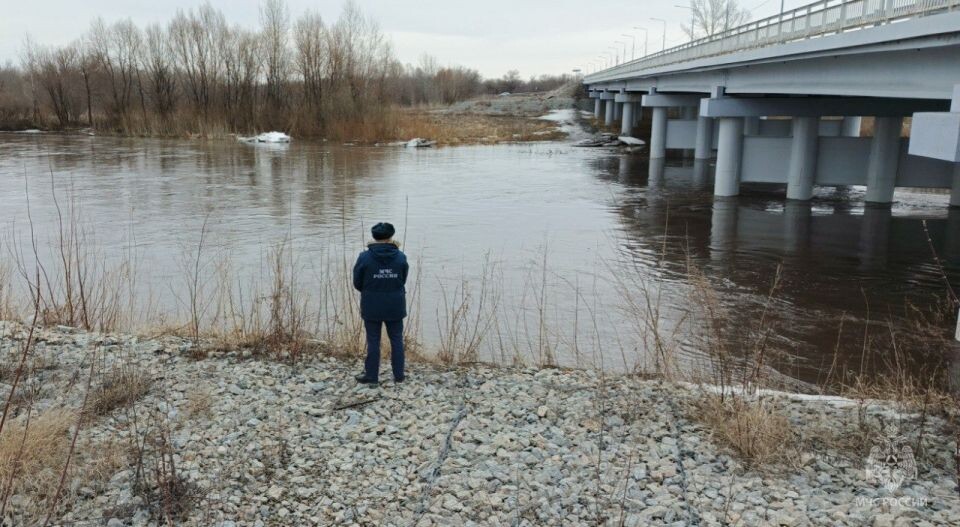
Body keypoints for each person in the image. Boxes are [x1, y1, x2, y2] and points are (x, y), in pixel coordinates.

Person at [353, 222, 409, 386]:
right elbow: (402, 279)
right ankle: (399, 375)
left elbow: (357, 283)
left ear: (374, 237)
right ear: (391, 236)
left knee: (373, 340)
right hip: (395, 304)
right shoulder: (400, 257)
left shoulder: (364, 257)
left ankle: (372, 376)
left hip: (372, 304)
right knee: (397, 339)